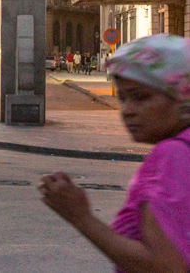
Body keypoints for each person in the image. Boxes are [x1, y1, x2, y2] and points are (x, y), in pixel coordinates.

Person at [38, 34, 190, 272]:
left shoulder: (173, 154)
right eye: (123, 97)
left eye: (141, 97)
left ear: (180, 96)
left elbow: (165, 266)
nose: (127, 110)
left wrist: (81, 217)